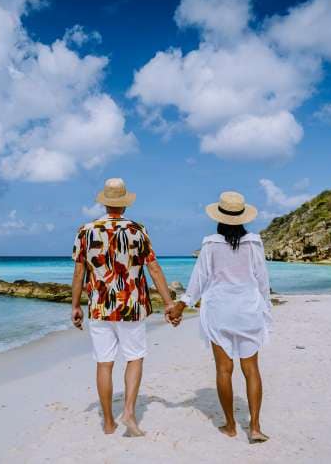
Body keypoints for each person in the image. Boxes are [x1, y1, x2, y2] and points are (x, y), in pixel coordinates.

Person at [71, 177, 175, 437]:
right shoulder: (138, 230)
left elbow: (79, 272)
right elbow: (153, 268)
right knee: (134, 358)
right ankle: (128, 412)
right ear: (125, 204)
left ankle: (108, 422)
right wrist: (170, 302)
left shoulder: (86, 230)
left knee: (104, 363)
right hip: (132, 306)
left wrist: (75, 305)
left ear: (105, 203)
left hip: (99, 307)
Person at [168, 191, 272, 443]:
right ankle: (255, 427)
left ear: (220, 217)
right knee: (251, 369)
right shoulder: (254, 243)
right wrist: (266, 309)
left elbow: (199, 279)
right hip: (248, 310)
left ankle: (230, 425)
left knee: (224, 370)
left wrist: (182, 305)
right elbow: (262, 280)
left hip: (219, 312)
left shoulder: (211, 244)